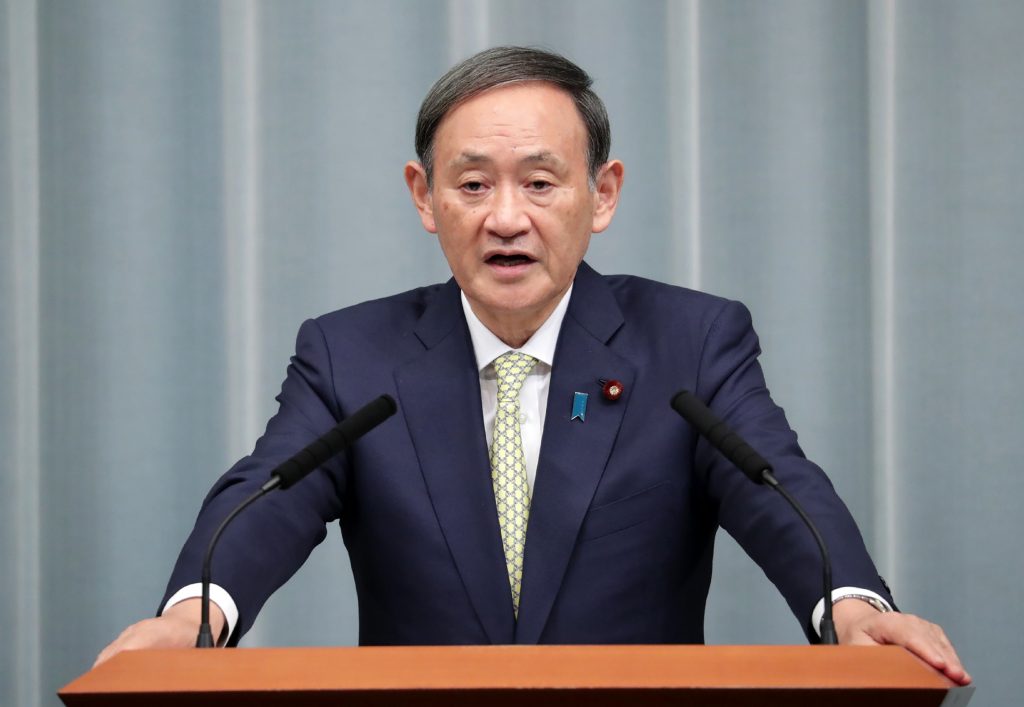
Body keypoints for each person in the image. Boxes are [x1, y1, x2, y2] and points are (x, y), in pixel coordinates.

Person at [96, 46, 969, 684]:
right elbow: (268, 496)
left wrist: (853, 606)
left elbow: (783, 489)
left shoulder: (689, 342)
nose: (505, 217)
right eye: (472, 185)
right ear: (423, 197)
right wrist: (193, 620)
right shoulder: (352, 354)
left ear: (605, 193)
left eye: (541, 182)